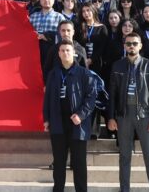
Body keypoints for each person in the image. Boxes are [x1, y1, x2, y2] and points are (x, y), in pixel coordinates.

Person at [106, 32, 149, 192]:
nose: (131, 46)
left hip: (144, 116)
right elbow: (112, 94)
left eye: (134, 43)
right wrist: (110, 117)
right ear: (124, 46)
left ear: (140, 45)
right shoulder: (117, 66)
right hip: (123, 116)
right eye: (128, 43)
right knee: (124, 156)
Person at [43, 40, 98, 192]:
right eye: (62, 50)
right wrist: (46, 118)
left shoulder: (84, 73)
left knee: (79, 163)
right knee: (59, 162)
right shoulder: (53, 74)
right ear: (58, 53)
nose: (65, 53)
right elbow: (47, 98)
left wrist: (81, 114)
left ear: (74, 53)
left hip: (77, 124)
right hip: (57, 123)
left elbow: (91, 97)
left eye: (68, 50)